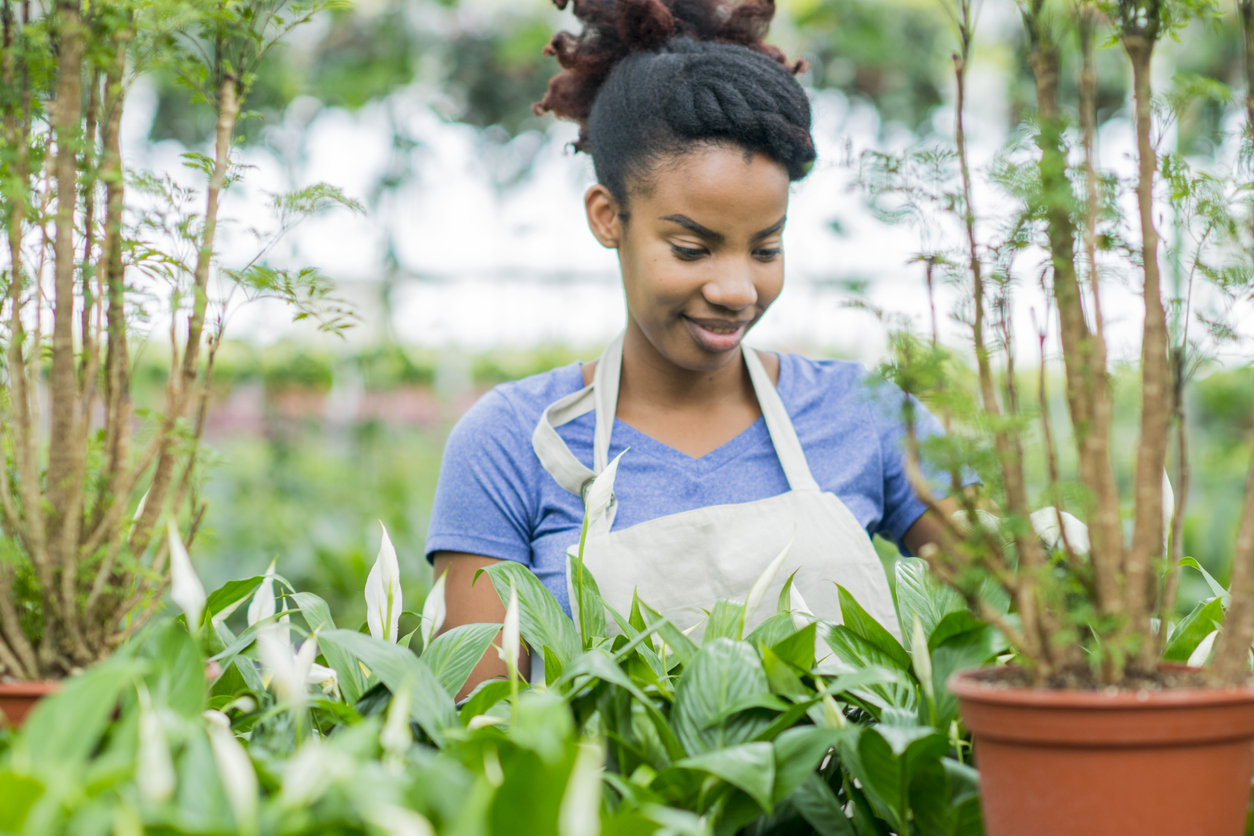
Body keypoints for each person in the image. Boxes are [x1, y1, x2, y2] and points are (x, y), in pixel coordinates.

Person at [425, 0, 967, 698]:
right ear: (607, 216)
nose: (738, 289)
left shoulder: (865, 414)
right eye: (691, 248)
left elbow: (1024, 623)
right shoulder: (507, 444)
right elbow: (477, 730)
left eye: (766, 247)